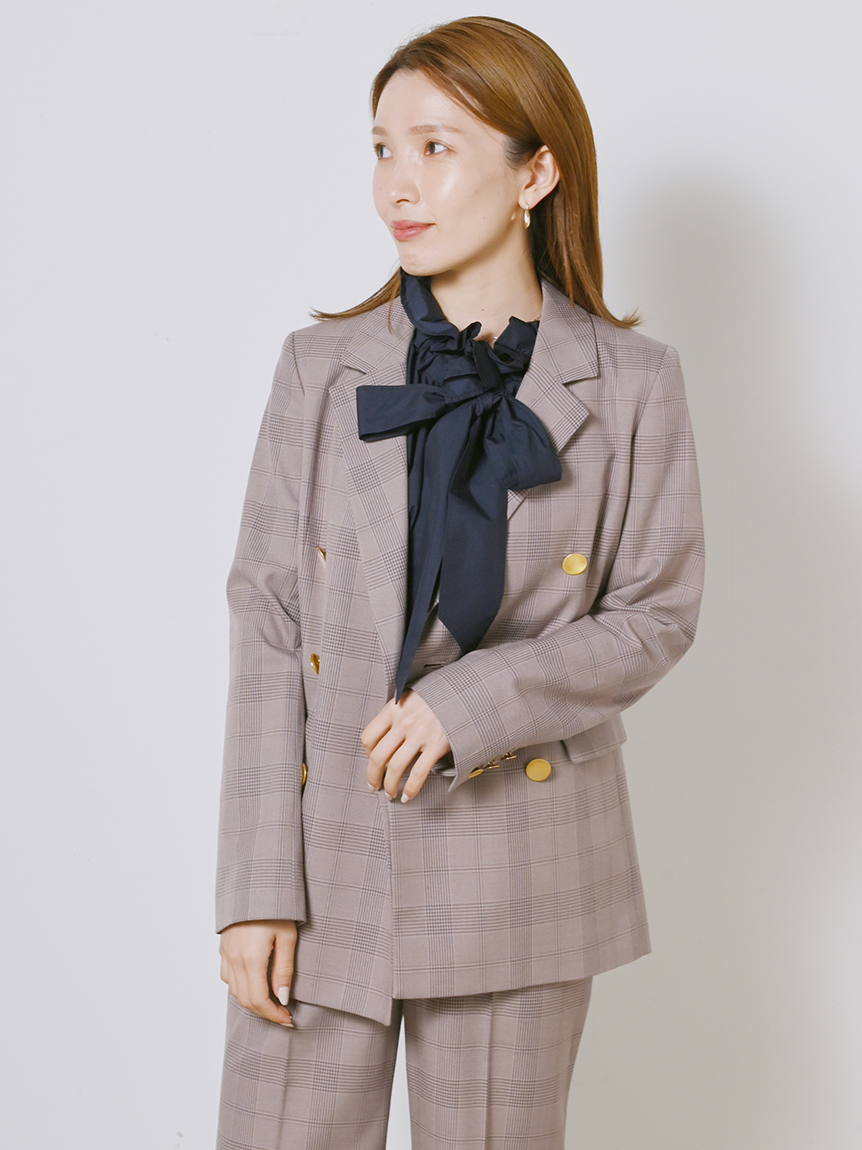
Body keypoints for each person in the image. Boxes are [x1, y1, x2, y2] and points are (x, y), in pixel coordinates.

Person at [215, 15, 704, 1150]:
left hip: (520, 861)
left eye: (436, 147)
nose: (399, 183)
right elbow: (267, 617)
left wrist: (466, 702)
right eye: (383, 148)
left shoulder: (634, 381)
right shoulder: (319, 368)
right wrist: (253, 888)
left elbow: (656, 614)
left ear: (535, 173)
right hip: (326, 852)